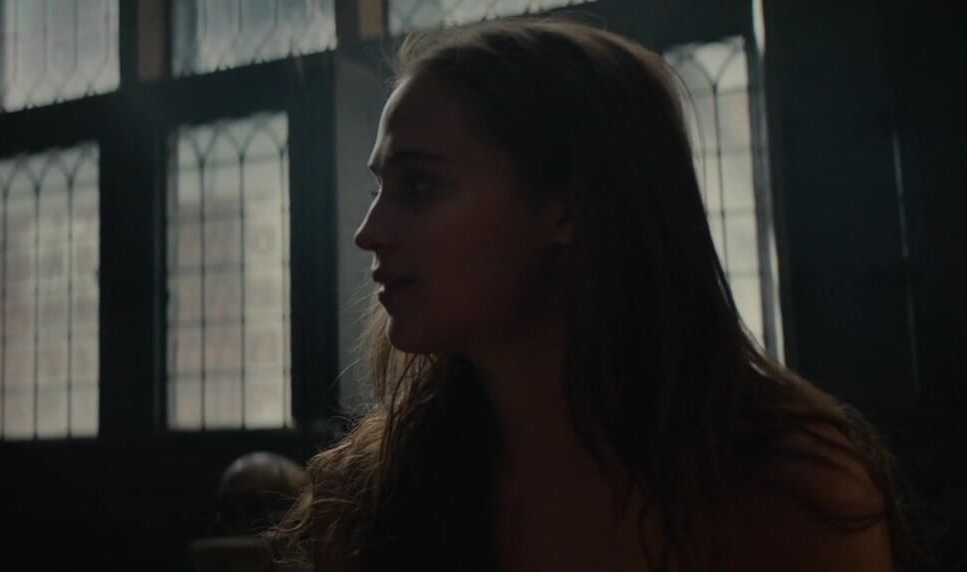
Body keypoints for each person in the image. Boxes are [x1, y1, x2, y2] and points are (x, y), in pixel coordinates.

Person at [273, 18, 914, 571]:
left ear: (569, 204)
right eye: (379, 189)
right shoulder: (365, 496)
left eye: (419, 186)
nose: (368, 233)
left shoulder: (788, 490)